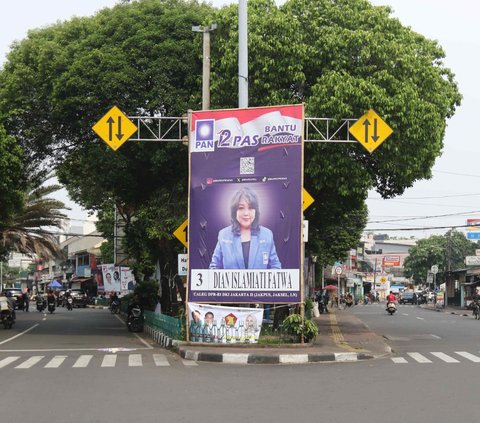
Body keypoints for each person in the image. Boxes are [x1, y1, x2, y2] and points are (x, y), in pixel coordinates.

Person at [209, 187, 281, 269]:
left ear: (256, 211)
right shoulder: (224, 235)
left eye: (250, 208)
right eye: (241, 208)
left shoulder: (267, 234)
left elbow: (275, 266)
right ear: (234, 211)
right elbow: (214, 267)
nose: (246, 213)